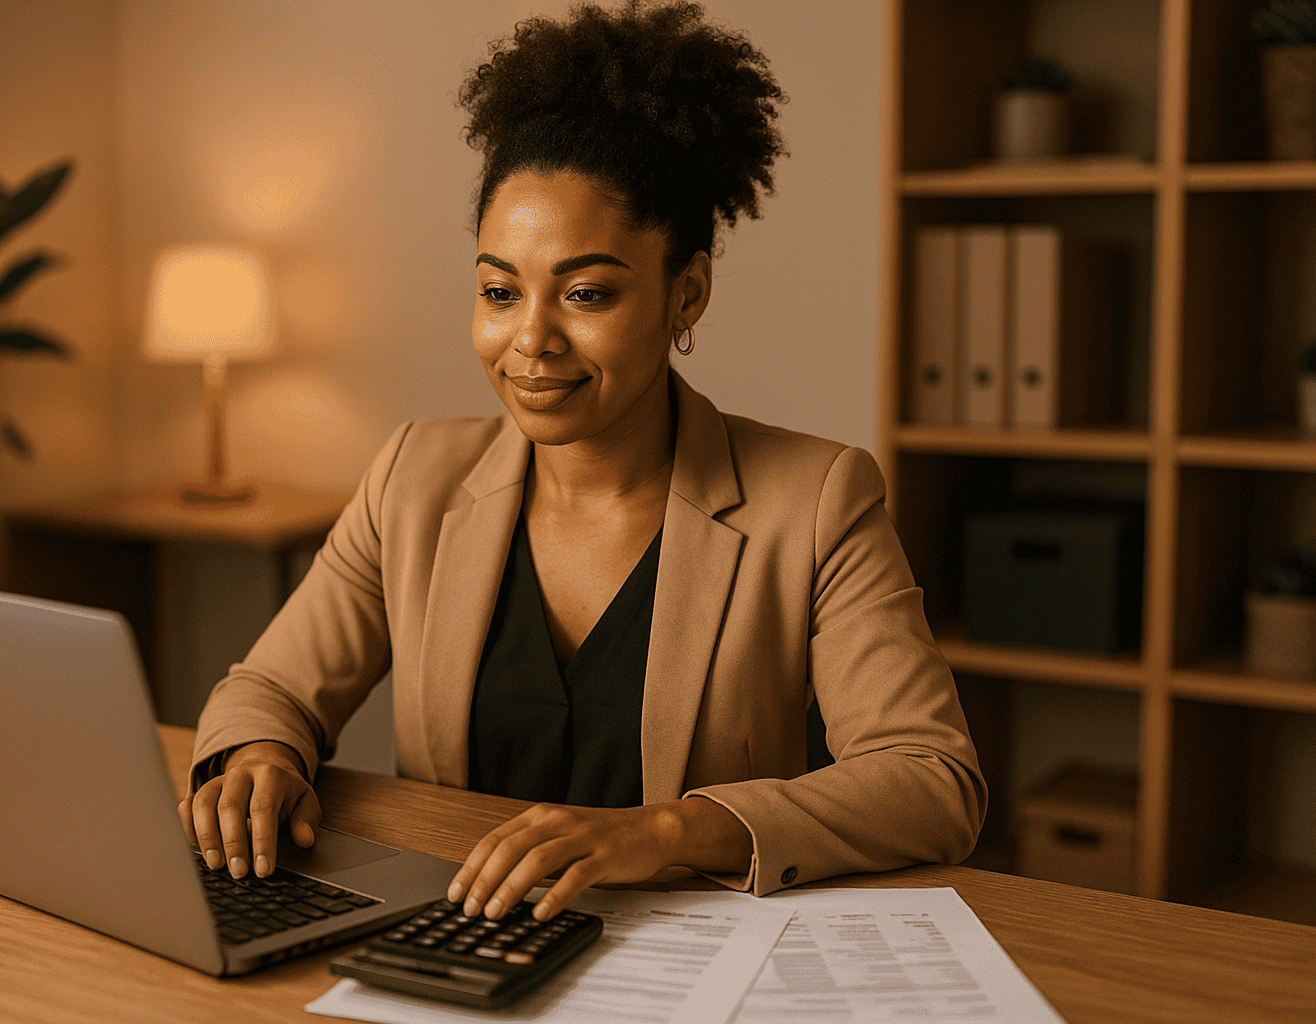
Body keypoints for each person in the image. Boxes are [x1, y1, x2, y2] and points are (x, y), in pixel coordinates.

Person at [181, 0, 985, 924]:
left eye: (587, 293)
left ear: (687, 293)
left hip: (679, 958)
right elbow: (271, 687)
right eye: (498, 291)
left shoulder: (814, 500)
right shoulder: (413, 477)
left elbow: (931, 779)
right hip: (457, 937)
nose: (531, 341)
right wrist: (259, 761)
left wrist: (664, 832)